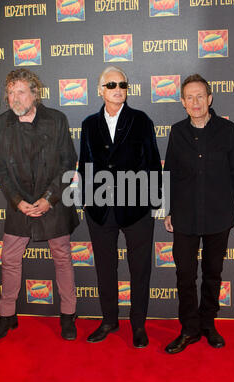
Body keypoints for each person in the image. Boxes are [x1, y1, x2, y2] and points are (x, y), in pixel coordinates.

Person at [0, 68, 79, 341]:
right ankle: (6, 316)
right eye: (10, 92)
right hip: (19, 204)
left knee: (62, 258)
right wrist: (18, 201)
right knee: (9, 259)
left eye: (21, 92)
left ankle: (68, 315)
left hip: (53, 201)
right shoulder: (1, 123)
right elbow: (1, 170)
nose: (14, 98)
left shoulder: (57, 120)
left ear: (34, 94)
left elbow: (67, 164)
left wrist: (48, 199)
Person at [164, 74, 234, 354]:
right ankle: (189, 328)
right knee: (185, 274)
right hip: (185, 217)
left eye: (201, 96)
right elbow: (170, 175)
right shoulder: (177, 132)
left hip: (219, 215)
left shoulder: (227, 129)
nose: (196, 101)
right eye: (190, 97)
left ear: (210, 99)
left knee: (213, 273)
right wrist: (168, 211)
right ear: (183, 102)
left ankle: (208, 324)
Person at [78, 66, 162, 348]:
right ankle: (109, 321)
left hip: (136, 209)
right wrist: (87, 199)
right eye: (111, 84)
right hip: (100, 209)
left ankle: (138, 325)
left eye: (123, 84)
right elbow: (84, 164)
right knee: (105, 268)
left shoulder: (141, 120)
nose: (118, 89)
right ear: (100, 89)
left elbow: (152, 163)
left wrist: (156, 204)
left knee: (140, 269)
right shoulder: (89, 124)